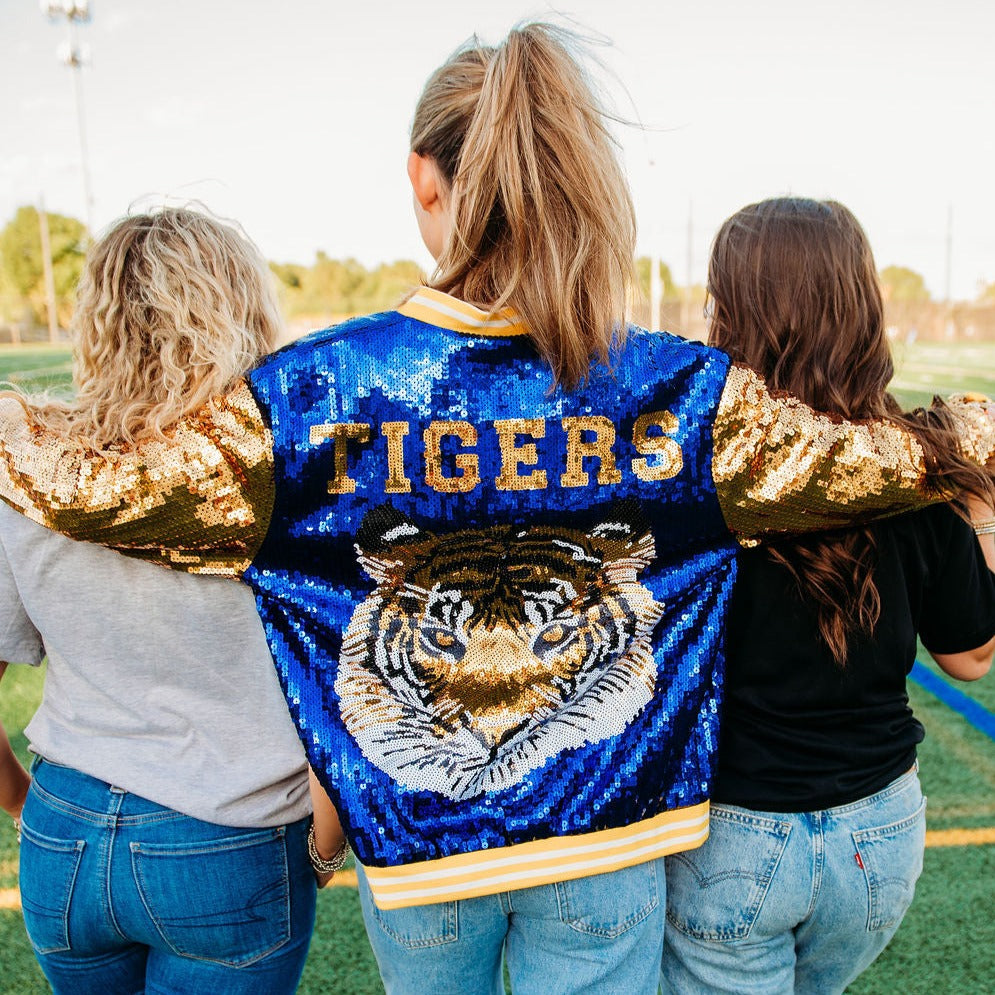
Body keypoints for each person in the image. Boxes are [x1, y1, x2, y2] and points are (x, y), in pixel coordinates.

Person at [0, 25, 993, 995]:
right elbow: (873, 458)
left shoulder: (310, 391)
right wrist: (961, 439)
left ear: (421, 182)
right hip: (605, 829)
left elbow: (96, 485)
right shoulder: (677, 388)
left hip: (420, 840)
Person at [661, 198, 995, 995]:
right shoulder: (916, 461)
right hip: (877, 829)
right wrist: (978, 504)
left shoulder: (698, 465)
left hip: (732, 827)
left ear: (730, 310)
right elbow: (972, 654)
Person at [0, 208, 319, 995]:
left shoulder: (30, 468)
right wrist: (325, 844)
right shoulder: (291, 473)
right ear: (242, 309)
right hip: (230, 831)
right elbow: (341, 685)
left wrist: (23, 806)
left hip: (63, 824)